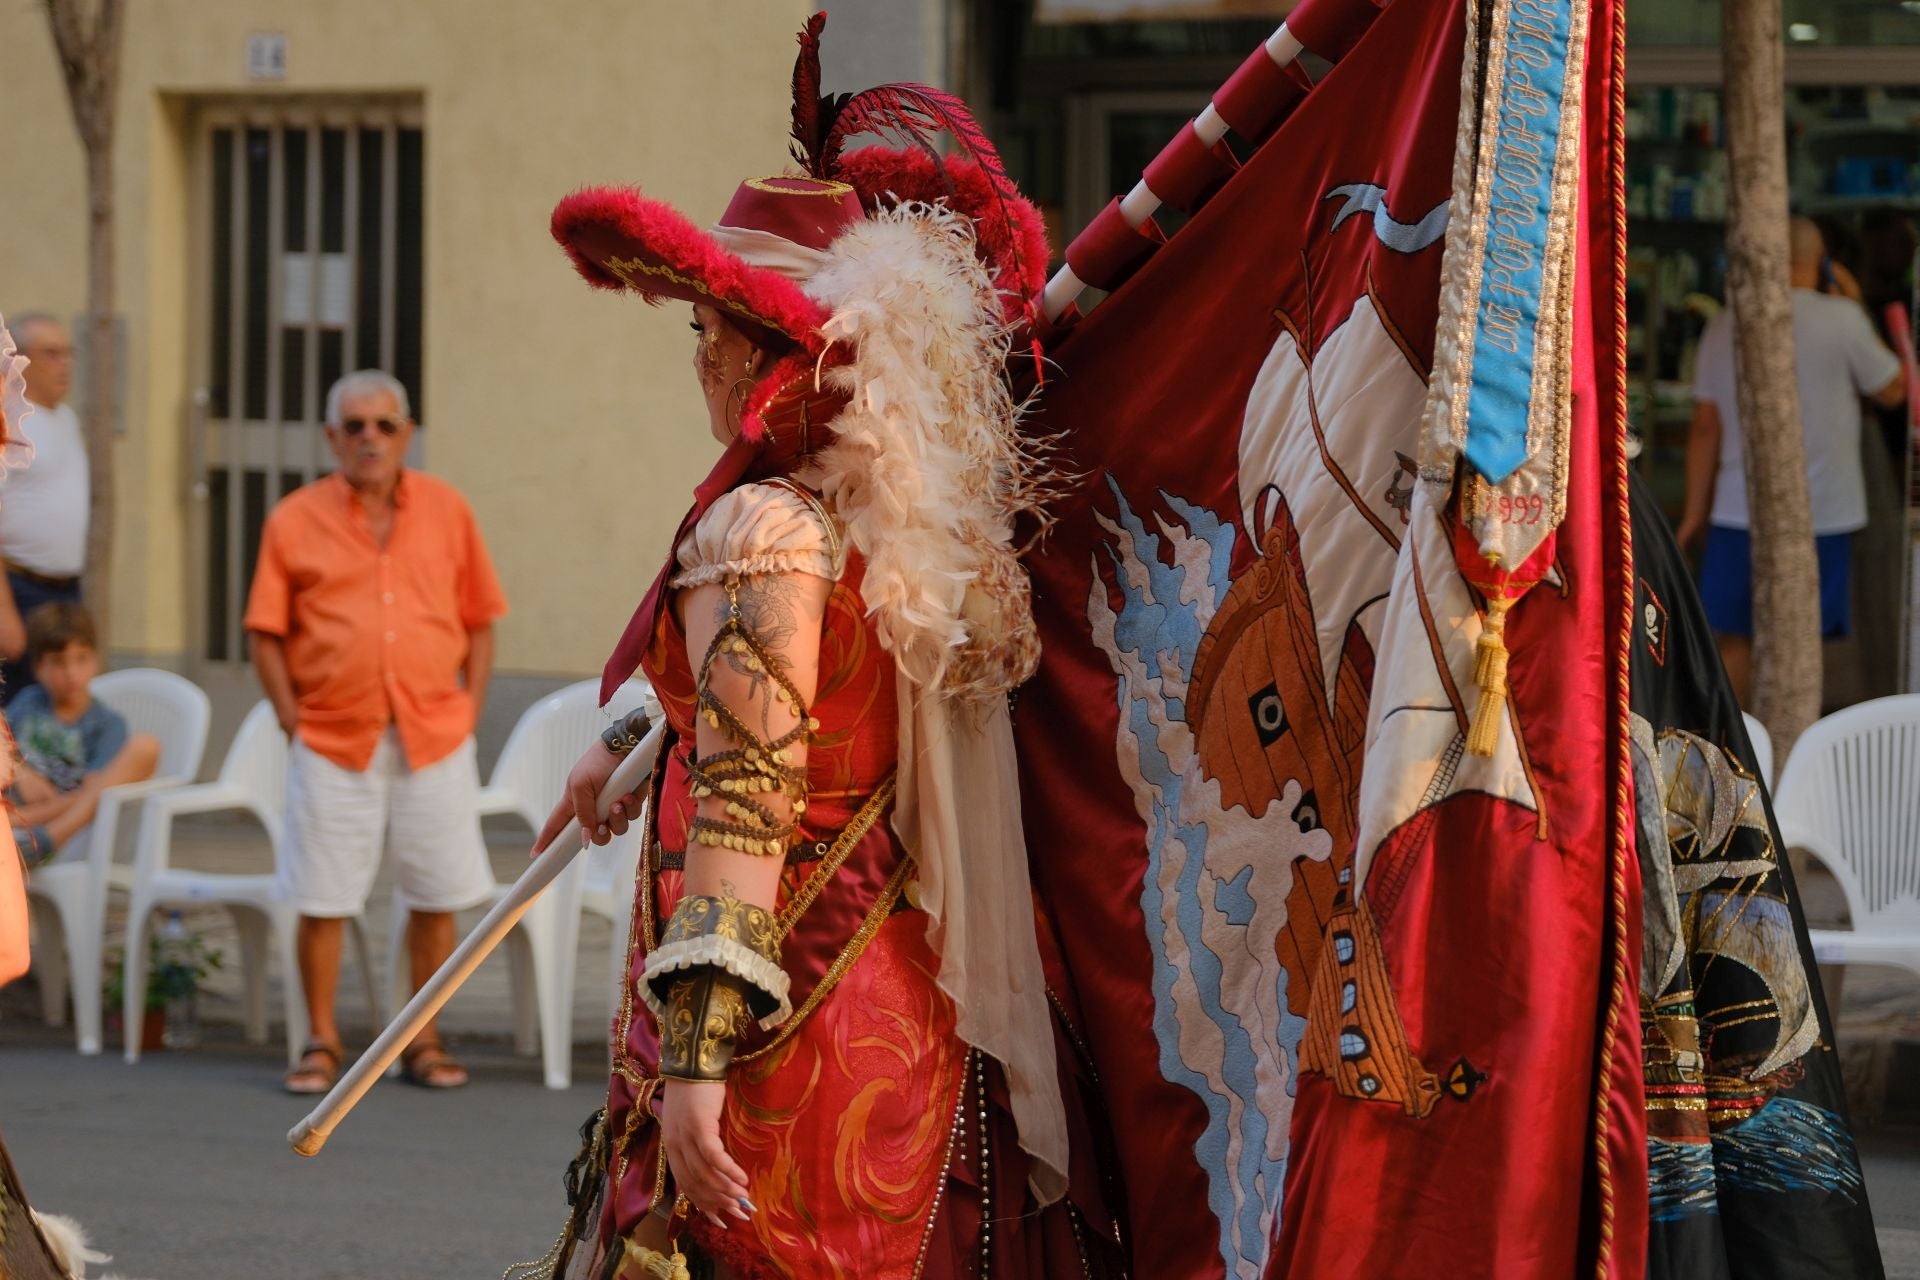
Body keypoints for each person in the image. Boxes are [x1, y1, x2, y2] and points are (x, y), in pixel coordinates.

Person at [526, 18, 1124, 1278]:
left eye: (709, 330)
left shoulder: (756, 530)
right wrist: (635, 742)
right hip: (902, 1005)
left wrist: (691, 1071)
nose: (697, 356)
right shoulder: (881, 521)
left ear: (765, 354)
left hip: (783, 1036)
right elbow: (807, 716)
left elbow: (748, 811)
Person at [244, 368, 507, 1095]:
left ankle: (423, 1038)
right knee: (323, 895)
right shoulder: (294, 519)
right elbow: (264, 633)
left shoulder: (448, 511)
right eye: (354, 426)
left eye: (384, 425)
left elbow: (480, 621)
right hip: (332, 737)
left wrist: (469, 708)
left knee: (434, 890)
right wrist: (291, 719)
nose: (369, 438)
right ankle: (320, 1040)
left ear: (406, 435)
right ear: (332, 437)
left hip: (434, 735)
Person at [1677, 216, 1909, 702]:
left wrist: (1693, 515)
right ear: (1823, 263)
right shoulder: (1843, 319)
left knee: (1733, 637)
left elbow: (1704, 428)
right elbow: (1894, 390)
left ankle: (1733, 753)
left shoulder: (1726, 322)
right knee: (1808, 639)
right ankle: (1796, 747)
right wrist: (1855, 305)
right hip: (1822, 516)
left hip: (1737, 512)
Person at [4, 602, 160, 865]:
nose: (71, 673)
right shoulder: (29, 703)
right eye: (58, 662)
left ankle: (44, 841)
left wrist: (21, 819)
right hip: (13, 806)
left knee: (146, 746)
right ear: (38, 668)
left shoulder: (106, 724)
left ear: (96, 660)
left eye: (81, 659)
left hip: (62, 828)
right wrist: (23, 773)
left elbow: (88, 797)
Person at [0, 313, 88, 703]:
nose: (65, 365)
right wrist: (4, 611)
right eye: (51, 354)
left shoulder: (66, 419)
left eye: (69, 354)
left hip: (65, 590)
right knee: (19, 708)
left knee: (54, 713)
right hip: (19, 590)